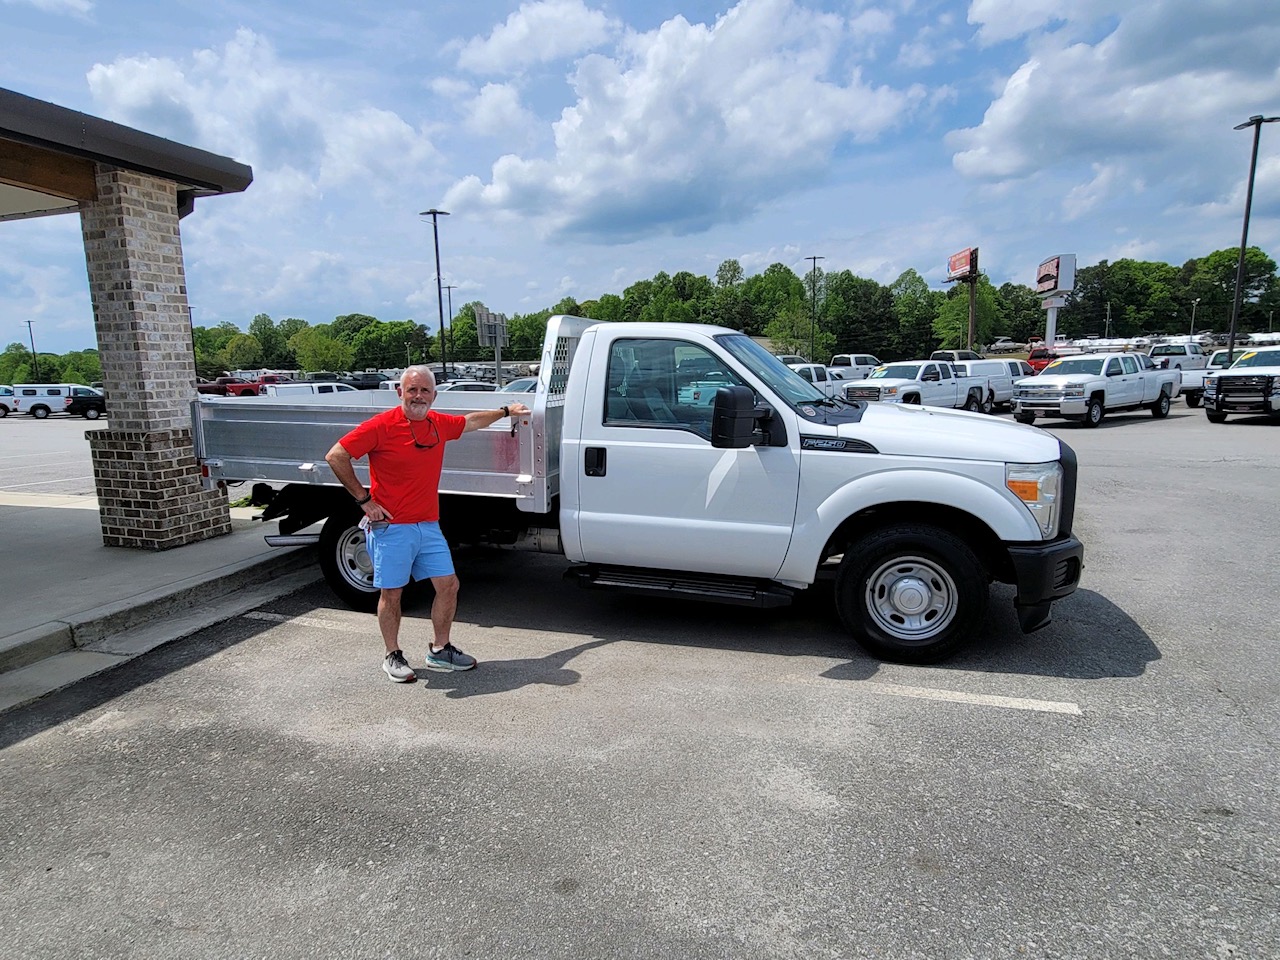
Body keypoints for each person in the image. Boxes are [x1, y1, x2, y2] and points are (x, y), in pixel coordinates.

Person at [325, 366, 531, 683]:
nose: (418, 396)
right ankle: (392, 655)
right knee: (392, 593)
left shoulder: (437, 424)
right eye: (412, 390)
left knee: (448, 586)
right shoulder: (381, 425)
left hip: (428, 526)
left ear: (434, 395)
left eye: (424, 390)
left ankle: (440, 649)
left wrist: (506, 411)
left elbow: (471, 421)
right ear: (400, 393)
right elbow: (336, 455)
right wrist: (364, 500)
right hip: (392, 528)